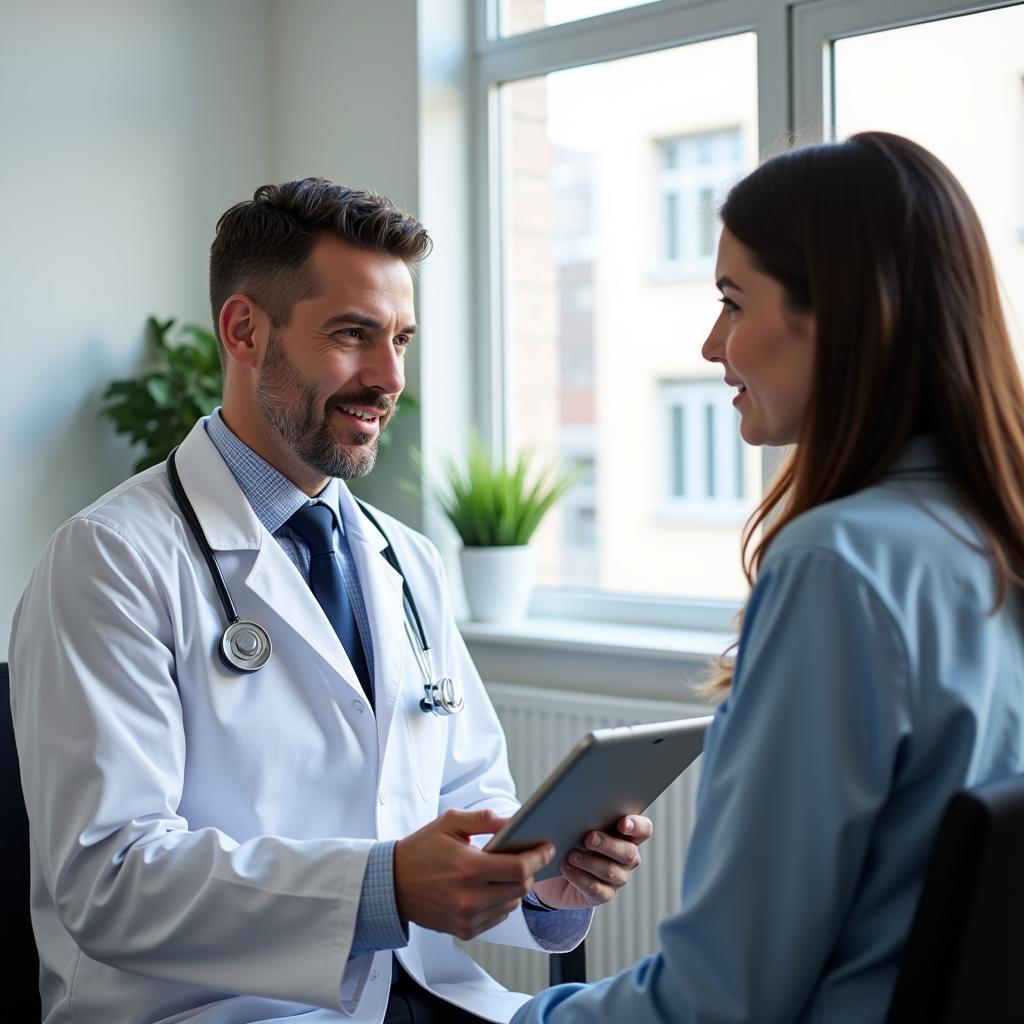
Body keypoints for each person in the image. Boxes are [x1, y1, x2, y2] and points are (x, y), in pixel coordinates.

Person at [9, 179, 653, 1024]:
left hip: (426, 996)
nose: (389, 378)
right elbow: (111, 879)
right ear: (244, 330)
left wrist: (548, 884)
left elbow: (475, 799)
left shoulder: (406, 560)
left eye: (402, 339)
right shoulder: (111, 560)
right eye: (353, 335)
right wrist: (381, 888)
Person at [511, 131, 1024, 1023]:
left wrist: (526, 1021)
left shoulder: (838, 565)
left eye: (732, 301)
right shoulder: (990, 538)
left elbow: (718, 1002)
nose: (714, 345)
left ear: (844, 313)